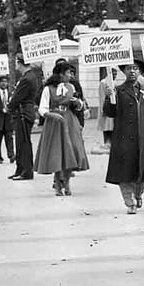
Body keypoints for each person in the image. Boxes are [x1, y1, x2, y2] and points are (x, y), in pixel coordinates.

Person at [104, 60, 144, 213]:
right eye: (128, 68)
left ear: (140, 72)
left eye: (135, 68)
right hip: (124, 137)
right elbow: (110, 113)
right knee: (125, 172)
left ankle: (138, 193)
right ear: (123, 71)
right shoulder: (118, 91)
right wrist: (109, 98)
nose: (132, 71)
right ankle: (129, 202)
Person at [34, 62, 89, 196]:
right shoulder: (48, 89)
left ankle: (67, 182)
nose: (71, 75)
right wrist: (50, 115)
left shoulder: (71, 87)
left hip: (70, 122)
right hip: (55, 123)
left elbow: (80, 105)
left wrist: (77, 103)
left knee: (73, 151)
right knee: (57, 153)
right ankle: (58, 184)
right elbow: (42, 108)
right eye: (68, 73)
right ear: (61, 74)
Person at [7, 52, 41, 181]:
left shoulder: (27, 78)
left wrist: (9, 107)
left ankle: (26, 171)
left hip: (23, 113)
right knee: (20, 143)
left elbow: (18, 97)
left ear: (20, 63)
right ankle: (20, 169)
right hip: (23, 112)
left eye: (17, 62)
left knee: (23, 143)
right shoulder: (28, 77)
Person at [97, 68, 117, 147]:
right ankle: (106, 142)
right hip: (106, 106)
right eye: (114, 74)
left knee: (112, 126)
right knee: (105, 126)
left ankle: (112, 142)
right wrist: (103, 109)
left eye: (116, 74)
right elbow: (101, 96)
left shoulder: (115, 82)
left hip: (113, 107)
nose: (115, 76)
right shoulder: (103, 82)